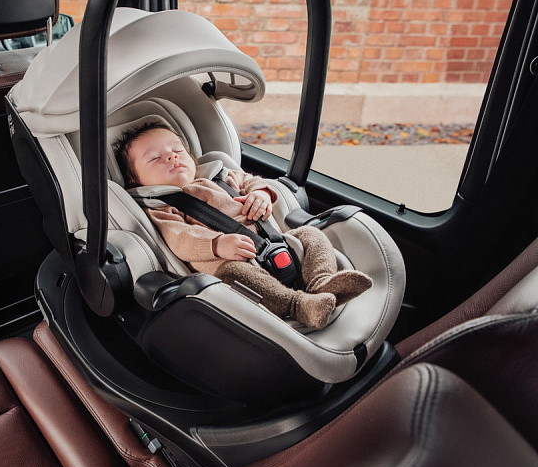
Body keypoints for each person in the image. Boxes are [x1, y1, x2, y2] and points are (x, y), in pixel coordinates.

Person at [113, 121, 371, 329]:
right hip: (227, 261)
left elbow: (251, 180)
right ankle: (298, 305)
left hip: (273, 242)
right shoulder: (159, 207)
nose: (171, 157)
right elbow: (180, 237)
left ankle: (322, 282)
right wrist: (216, 244)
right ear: (136, 181)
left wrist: (261, 194)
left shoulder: (219, 176)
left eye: (178, 150)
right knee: (236, 274)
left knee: (311, 234)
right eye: (155, 158)